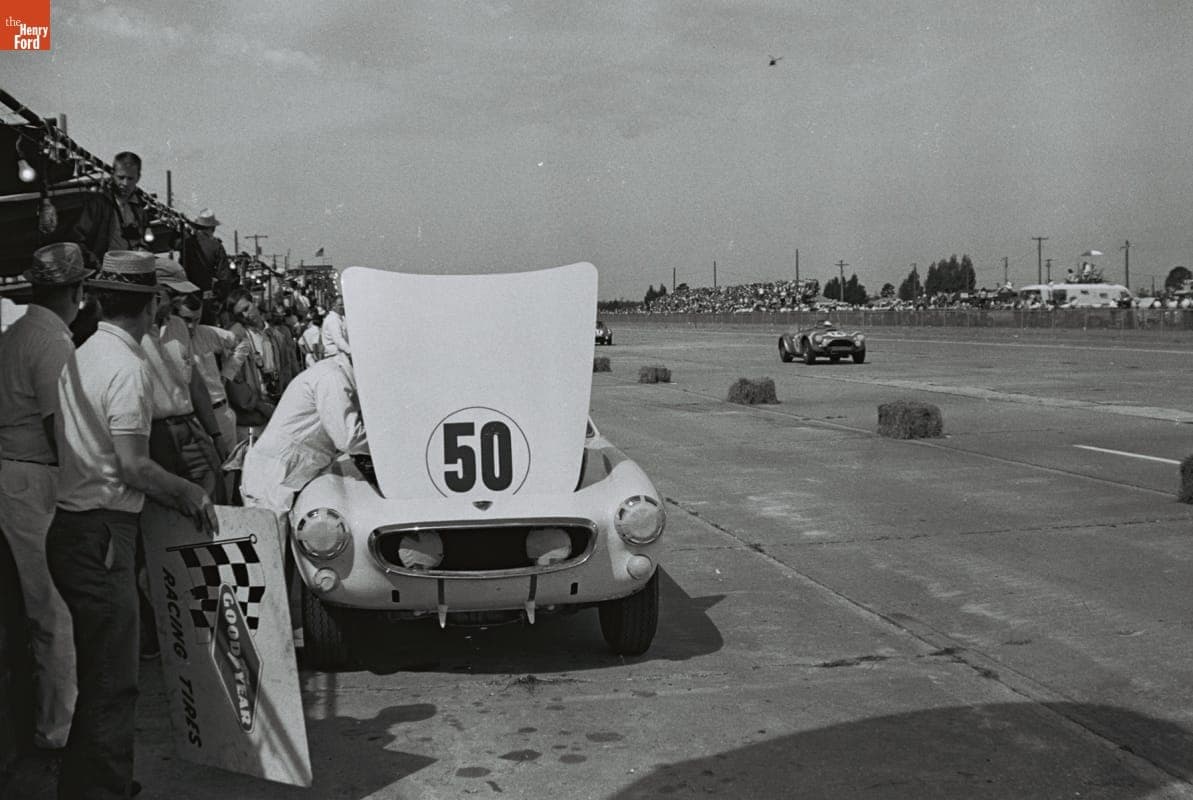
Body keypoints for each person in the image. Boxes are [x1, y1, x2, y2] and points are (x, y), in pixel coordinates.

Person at [46, 250, 217, 800]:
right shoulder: (127, 368)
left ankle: (91, 782)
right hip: (102, 534)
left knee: (97, 671)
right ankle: (102, 790)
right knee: (113, 679)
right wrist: (189, 492)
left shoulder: (81, 353)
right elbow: (134, 466)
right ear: (148, 305)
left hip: (72, 523)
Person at [0, 243, 88, 753]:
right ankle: (61, 730)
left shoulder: (18, 334)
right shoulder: (51, 342)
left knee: (41, 609)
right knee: (55, 612)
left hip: (18, 475)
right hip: (35, 479)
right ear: (76, 292)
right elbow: (63, 432)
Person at [240, 348, 368, 520]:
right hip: (275, 475)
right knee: (273, 538)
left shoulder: (335, 373)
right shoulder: (332, 378)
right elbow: (348, 438)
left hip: (288, 471)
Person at [69, 151, 149, 261]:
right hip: (105, 270)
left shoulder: (139, 208)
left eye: (130, 179)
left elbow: (142, 240)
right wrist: (92, 260)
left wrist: (142, 249)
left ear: (138, 178)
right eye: (121, 177)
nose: (125, 183)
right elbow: (76, 238)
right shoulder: (97, 203)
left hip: (133, 268)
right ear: (112, 174)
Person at [180, 208, 231, 295]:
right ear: (213, 228)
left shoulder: (186, 241)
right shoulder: (216, 245)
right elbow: (223, 275)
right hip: (205, 291)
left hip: (184, 289)